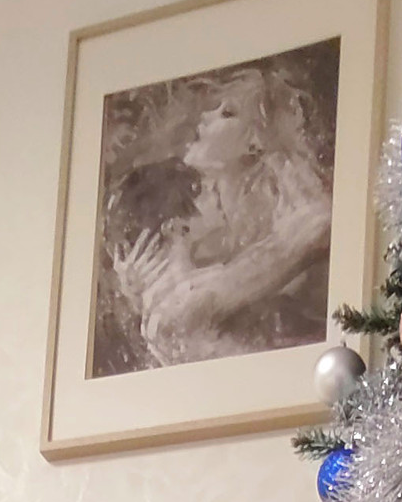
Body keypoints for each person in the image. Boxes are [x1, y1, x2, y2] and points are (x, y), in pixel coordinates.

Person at [101, 62, 333, 371]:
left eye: (227, 113)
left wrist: (193, 295)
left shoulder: (286, 192)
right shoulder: (206, 211)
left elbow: (319, 222)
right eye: (213, 108)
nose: (205, 117)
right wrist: (137, 293)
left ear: (256, 142)